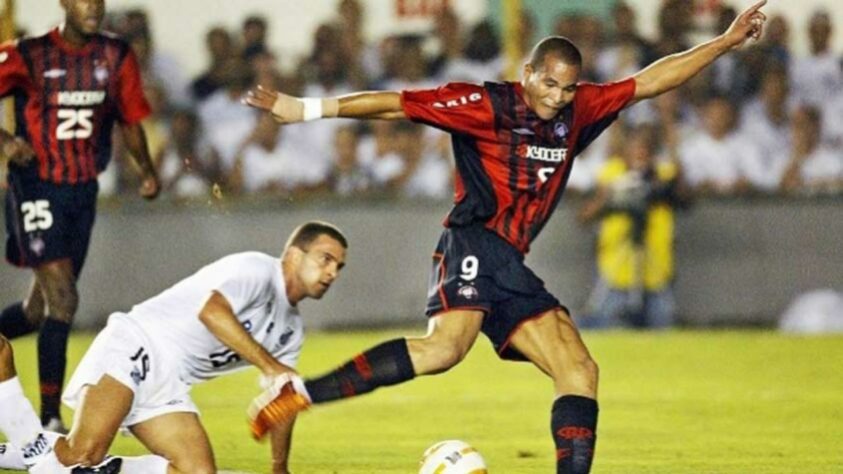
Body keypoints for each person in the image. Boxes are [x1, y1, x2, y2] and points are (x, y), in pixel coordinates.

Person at [244, 2, 768, 473]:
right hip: (473, 240)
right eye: (549, 85)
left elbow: (653, 81)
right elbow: (396, 104)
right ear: (528, 74)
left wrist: (724, 41)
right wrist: (305, 109)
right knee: (446, 350)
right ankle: (299, 393)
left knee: (578, 369)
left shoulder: (579, 110)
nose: (557, 98)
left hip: (509, 259)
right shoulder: (486, 103)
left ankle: (299, 392)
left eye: (567, 88)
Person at [0, 221, 348, 474]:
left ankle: (112, 468)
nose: (332, 272)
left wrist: (279, 468)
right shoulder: (256, 270)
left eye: (339, 266)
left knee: (197, 472)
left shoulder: (291, 330)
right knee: (82, 454)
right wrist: (270, 366)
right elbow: (212, 313)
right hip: (138, 344)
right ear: (292, 255)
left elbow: (284, 400)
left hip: (170, 381)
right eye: (325, 258)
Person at [0, 0, 160, 432]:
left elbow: (130, 120)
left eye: (99, 0)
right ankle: (50, 419)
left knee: (39, 312)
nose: (94, 7)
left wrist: (146, 170)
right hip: (34, 184)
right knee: (65, 300)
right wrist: (5, 142)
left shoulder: (116, 55)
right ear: (65, 4)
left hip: (82, 191)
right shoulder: (28, 53)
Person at [577, 125, 688, 329]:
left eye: (646, 149)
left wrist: (660, 174)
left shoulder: (664, 173)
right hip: (616, 270)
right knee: (600, 327)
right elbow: (584, 216)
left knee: (665, 331)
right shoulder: (612, 172)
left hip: (657, 270)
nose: (640, 154)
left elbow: (685, 198)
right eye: (635, 148)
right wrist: (613, 194)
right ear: (624, 150)